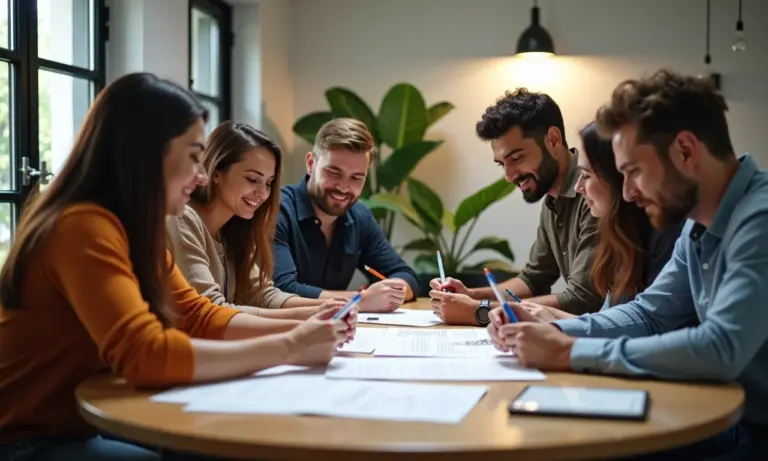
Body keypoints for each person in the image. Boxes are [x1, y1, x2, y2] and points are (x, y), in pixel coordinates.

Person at [0, 73, 354, 461]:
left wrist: (306, 330)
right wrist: (289, 346)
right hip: (29, 437)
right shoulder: (82, 226)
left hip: (83, 422)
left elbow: (199, 317)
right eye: (192, 157)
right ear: (147, 153)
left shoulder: (138, 229)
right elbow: (146, 354)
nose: (200, 176)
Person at [489, 69, 768, 459]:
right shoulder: (698, 221)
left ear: (685, 151)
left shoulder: (760, 218)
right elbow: (651, 314)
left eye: (634, 171)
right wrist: (551, 327)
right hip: (731, 421)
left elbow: (721, 347)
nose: (630, 192)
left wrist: (569, 352)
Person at [429, 89, 603, 326]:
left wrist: (477, 311)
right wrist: (471, 295)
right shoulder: (552, 197)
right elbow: (533, 279)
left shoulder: (595, 195)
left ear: (553, 140)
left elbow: (582, 300)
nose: (509, 176)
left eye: (517, 158)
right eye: (502, 164)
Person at [167, 121, 343, 321]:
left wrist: (332, 307)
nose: (262, 193)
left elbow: (264, 295)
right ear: (216, 171)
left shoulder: (234, 229)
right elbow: (210, 310)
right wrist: (311, 315)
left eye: (268, 183)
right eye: (252, 179)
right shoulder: (183, 219)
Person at [515, 121, 684, 323]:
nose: (578, 187)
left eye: (586, 176)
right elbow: (609, 323)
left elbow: (638, 328)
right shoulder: (623, 237)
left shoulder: (667, 236)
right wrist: (537, 316)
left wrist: (554, 324)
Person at [273, 118, 419, 313]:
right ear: (310, 163)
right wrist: (361, 300)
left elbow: (406, 275)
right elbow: (282, 289)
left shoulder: (360, 216)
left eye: (356, 178)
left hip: (340, 334)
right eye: (333, 172)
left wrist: (392, 291)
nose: (343, 187)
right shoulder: (277, 211)